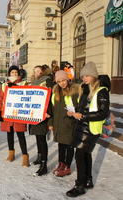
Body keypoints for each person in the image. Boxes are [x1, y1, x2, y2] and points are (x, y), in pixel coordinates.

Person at [66, 62, 110, 197]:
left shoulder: (101, 91)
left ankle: (80, 185)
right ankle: (88, 180)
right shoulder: (86, 89)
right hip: (82, 125)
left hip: (91, 127)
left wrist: (83, 115)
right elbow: (82, 108)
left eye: (86, 75)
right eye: (82, 76)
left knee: (79, 155)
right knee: (85, 154)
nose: (83, 78)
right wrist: (73, 113)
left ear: (93, 75)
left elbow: (103, 113)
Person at [0, 65, 30, 167]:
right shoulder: (4, 85)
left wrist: (16, 87)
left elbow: (28, 95)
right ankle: (11, 153)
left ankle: (25, 156)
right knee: (9, 134)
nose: (14, 74)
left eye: (16, 72)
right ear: (9, 74)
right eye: (12, 72)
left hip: (19, 114)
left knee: (20, 135)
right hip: (7, 114)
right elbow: (0, 99)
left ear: (18, 74)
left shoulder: (24, 83)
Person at [48, 70, 79, 177]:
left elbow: (78, 108)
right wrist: (51, 123)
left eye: (64, 80)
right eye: (59, 81)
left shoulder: (74, 91)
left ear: (67, 79)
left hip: (70, 125)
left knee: (69, 146)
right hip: (58, 125)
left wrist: (74, 114)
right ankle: (61, 164)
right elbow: (51, 111)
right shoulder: (55, 93)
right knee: (61, 146)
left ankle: (67, 166)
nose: (62, 83)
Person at [29, 65, 53, 176]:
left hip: (44, 114)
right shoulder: (33, 83)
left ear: (42, 72)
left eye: (39, 71)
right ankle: (39, 157)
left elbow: (50, 98)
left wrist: (49, 112)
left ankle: (44, 165)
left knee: (42, 140)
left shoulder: (47, 81)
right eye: (35, 71)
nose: (37, 72)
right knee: (38, 137)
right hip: (35, 115)